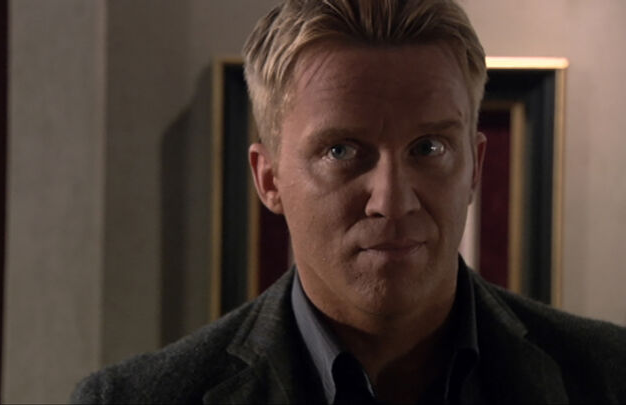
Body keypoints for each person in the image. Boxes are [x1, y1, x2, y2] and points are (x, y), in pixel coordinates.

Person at [72, 0, 626, 403]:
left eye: (429, 148)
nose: (392, 200)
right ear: (269, 180)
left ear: (475, 167)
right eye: (341, 151)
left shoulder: (609, 377)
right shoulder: (135, 399)